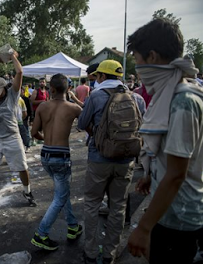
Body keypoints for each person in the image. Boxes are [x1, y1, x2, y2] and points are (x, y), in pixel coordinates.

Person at [126, 18, 203, 264]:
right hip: (170, 209)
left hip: (179, 219)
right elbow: (176, 160)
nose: (137, 69)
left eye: (137, 60)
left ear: (152, 56)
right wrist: (152, 174)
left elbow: (178, 174)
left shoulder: (183, 101)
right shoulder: (171, 94)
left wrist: (144, 228)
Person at [78, 60, 146, 264]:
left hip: (99, 158)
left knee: (92, 204)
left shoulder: (96, 96)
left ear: (101, 77)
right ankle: (110, 254)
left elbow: (82, 123)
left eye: (97, 76)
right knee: (118, 206)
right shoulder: (137, 98)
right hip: (126, 160)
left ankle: (90, 253)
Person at [30, 73, 83, 251]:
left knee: (62, 192)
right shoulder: (74, 108)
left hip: (46, 154)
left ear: (50, 89)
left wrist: (46, 138)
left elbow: (34, 133)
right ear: (68, 89)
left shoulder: (42, 107)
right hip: (61, 157)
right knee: (59, 197)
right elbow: (87, 122)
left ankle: (73, 226)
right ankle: (41, 234)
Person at [0, 50, 36, 206]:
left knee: (22, 167)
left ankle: (27, 191)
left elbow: (20, 71)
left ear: (5, 88)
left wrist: (12, 57)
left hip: (12, 136)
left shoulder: (13, 94)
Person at [30, 77, 50, 146]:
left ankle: (39, 139)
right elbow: (32, 101)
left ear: (45, 83)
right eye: (40, 82)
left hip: (44, 111)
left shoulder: (46, 92)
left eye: (43, 82)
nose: (42, 83)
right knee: (35, 125)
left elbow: (47, 101)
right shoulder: (36, 91)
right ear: (39, 83)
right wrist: (42, 101)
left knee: (42, 125)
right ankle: (32, 140)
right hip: (36, 111)